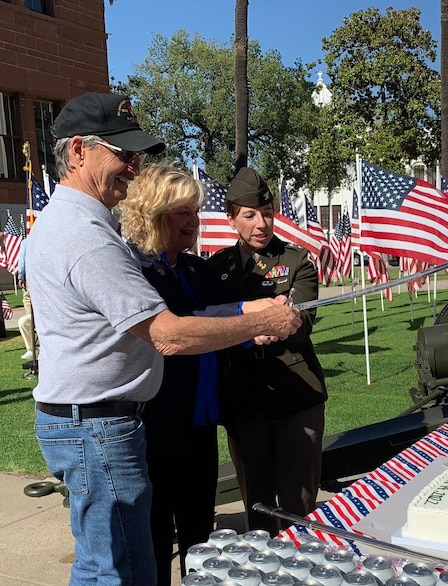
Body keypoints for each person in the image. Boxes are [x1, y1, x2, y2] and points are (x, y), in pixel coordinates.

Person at [25, 92, 302, 586]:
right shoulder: (85, 235)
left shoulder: (83, 225)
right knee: (125, 571)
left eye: (137, 155)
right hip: (99, 427)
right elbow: (169, 334)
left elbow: (178, 314)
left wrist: (243, 309)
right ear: (77, 152)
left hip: (101, 421)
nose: (134, 167)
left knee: (103, 565)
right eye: (123, 153)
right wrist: (263, 323)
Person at [118, 163, 277, 585]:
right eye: (182, 212)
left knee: (198, 537)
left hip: (199, 419)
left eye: (196, 211)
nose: (193, 221)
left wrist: (251, 330)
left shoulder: (194, 269)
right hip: (154, 421)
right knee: (153, 538)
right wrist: (247, 319)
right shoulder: (133, 271)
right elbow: (176, 328)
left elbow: (214, 320)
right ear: (152, 214)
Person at [208, 167, 328, 534]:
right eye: (249, 215)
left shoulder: (296, 262)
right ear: (231, 218)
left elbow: (301, 322)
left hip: (296, 396)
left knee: (300, 504)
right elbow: (209, 325)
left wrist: (274, 323)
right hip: (244, 399)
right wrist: (257, 322)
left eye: (268, 214)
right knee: (257, 505)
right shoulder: (217, 270)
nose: (261, 224)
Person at [16, 238, 36, 361]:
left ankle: (31, 348)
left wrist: (21, 275)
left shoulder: (27, 242)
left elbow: (22, 260)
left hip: (31, 277)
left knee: (28, 302)